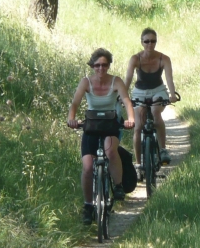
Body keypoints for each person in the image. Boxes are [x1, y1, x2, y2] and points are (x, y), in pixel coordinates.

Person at [68, 48, 135, 225]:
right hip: (91, 125)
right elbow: (75, 102)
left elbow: (126, 101)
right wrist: (71, 119)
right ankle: (88, 206)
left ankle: (118, 186)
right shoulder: (86, 82)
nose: (101, 68)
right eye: (97, 65)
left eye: (104, 65)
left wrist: (130, 119)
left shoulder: (116, 81)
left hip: (111, 124)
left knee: (110, 151)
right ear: (92, 66)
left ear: (108, 65)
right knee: (88, 167)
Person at [124, 28, 178, 170]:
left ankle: (162, 149)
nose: (150, 44)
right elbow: (128, 78)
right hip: (140, 91)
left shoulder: (163, 58)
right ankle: (138, 163)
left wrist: (172, 95)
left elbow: (169, 78)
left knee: (155, 111)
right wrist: (122, 95)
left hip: (158, 90)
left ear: (156, 42)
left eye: (153, 41)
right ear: (142, 42)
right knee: (138, 125)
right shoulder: (135, 58)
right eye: (146, 41)